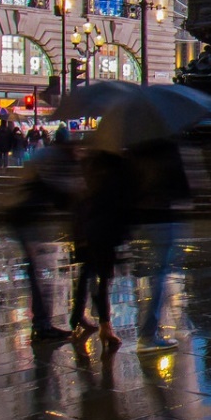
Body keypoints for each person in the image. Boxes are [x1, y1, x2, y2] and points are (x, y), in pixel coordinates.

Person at [6, 129, 78, 341]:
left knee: (38, 274)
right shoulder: (55, 161)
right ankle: (42, 325)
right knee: (40, 276)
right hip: (28, 220)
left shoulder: (46, 157)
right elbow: (59, 193)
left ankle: (42, 322)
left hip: (25, 218)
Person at [130, 135, 193, 351]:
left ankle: (178, 320)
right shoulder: (168, 149)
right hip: (163, 217)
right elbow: (182, 187)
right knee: (162, 272)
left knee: (160, 271)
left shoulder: (139, 148)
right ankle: (149, 331)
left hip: (145, 217)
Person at [70, 146, 132, 349]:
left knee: (91, 272)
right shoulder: (112, 168)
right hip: (103, 229)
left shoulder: (90, 166)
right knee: (101, 277)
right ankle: (104, 325)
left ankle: (79, 315)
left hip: (91, 228)